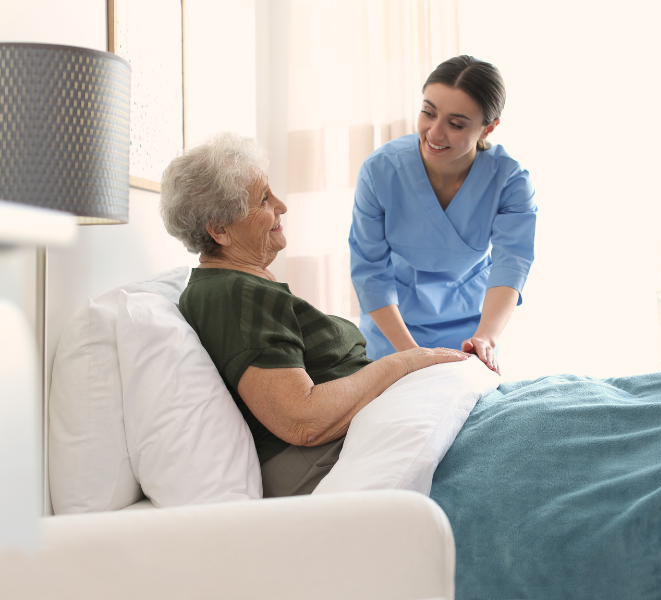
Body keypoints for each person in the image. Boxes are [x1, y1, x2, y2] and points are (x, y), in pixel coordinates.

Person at [160, 132, 470, 498]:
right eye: (263, 199)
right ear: (219, 230)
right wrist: (407, 363)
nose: (282, 205)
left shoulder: (236, 286)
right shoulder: (232, 294)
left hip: (352, 438)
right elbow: (302, 419)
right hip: (322, 459)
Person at [349, 55, 537, 374]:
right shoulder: (380, 171)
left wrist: (485, 338)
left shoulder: (510, 180)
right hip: (393, 330)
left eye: (455, 123)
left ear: (488, 128)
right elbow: (370, 272)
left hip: (472, 329)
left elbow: (511, 264)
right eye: (428, 112)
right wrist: (411, 356)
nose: (434, 133)